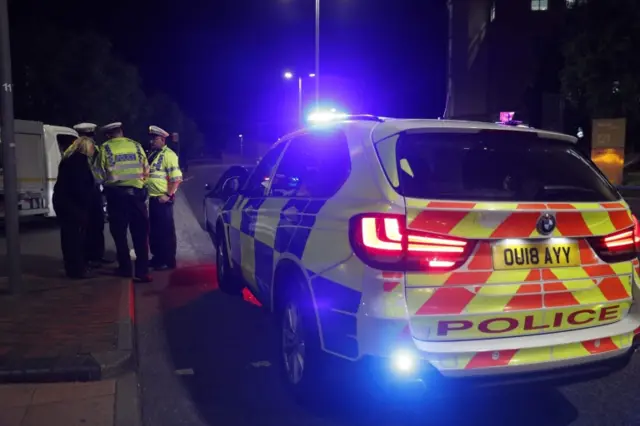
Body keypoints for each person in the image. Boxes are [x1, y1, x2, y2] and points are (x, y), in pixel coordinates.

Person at [98, 122, 152, 282]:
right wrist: (141, 185)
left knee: (119, 234)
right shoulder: (136, 146)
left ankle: (125, 268)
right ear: (122, 132)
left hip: (116, 197)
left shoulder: (105, 148)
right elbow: (146, 170)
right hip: (137, 196)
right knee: (141, 235)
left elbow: (98, 174)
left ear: (109, 135)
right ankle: (142, 272)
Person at [53, 137, 101, 279]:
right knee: (75, 239)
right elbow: (81, 187)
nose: (94, 150)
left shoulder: (69, 159)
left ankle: (73, 268)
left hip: (65, 203)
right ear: (86, 147)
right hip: (73, 205)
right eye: (92, 147)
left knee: (68, 237)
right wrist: (87, 205)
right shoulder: (79, 162)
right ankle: (77, 270)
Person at [72, 122, 113, 267]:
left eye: (91, 136)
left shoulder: (96, 149)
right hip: (84, 190)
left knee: (97, 223)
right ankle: (87, 257)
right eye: (88, 137)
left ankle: (97, 255)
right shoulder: (73, 152)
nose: (91, 140)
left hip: (95, 189)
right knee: (86, 225)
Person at [146, 125, 183, 270]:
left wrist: (168, 195)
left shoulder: (169, 155)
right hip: (154, 198)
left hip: (163, 200)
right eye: (151, 139)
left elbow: (177, 178)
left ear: (162, 139)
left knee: (166, 232)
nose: (152, 142)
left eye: (154, 139)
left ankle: (168, 260)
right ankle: (158, 258)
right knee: (155, 232)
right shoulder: (153, 154)